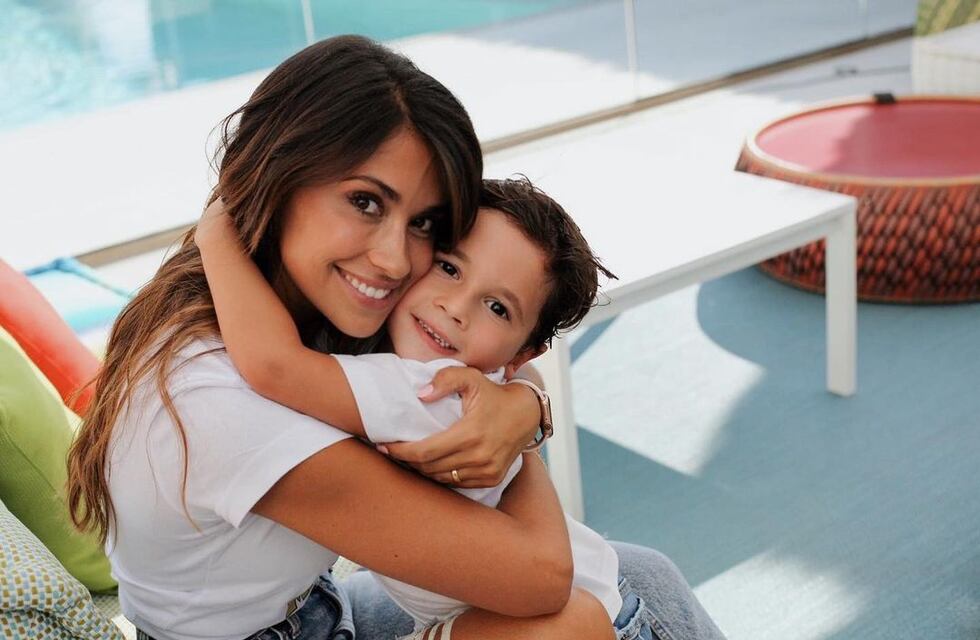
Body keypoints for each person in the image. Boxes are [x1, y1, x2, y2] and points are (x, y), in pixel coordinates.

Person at [65, 35, 726, 640]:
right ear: (276, 173)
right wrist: (514, 435)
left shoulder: (260, 296)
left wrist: (524, 409)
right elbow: (542, 578)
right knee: (587, 621)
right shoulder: (224, 399)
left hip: (310, 606)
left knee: (643, 573)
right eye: (365, 201)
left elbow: (502, 366)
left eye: (425, 224)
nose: (393, 260)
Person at [196, 176, 627, 639]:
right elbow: (525, 383)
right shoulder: (462, 375)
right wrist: (529, 402)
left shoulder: (426, 389)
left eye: (497, 308)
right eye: (449, 268)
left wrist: (216, 234)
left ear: (522, 352)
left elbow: (274, 366)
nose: (455, 307)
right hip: (575, 596)